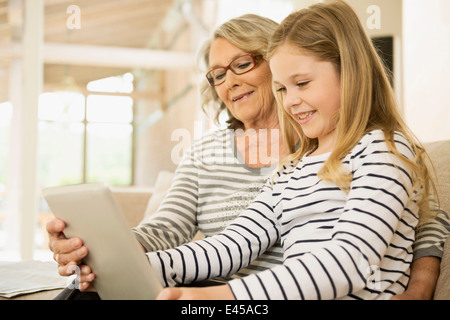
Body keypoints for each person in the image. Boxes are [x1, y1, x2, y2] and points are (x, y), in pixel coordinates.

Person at [47, 9, 448, 299]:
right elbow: (235, 242)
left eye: (302, 83)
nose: (291, 101)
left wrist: (215, 298)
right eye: (283, 88)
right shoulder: (293, 168)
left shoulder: (383, 150)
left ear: (352, 71)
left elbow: (351, 259)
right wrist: (118, 265)